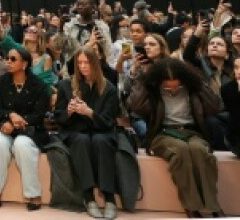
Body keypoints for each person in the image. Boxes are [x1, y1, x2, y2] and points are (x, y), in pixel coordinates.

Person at [127, 58, 225, 218]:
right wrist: (144, 83)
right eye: (167, 87)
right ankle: (192, 206)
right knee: (181, 152)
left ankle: (213, 206)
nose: (172, 90)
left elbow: (216, 107)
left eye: (177, 86)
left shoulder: (194, 88)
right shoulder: (152, 90)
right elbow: (135, 106)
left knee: (199, 151)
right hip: (163, 133)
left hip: (191, 132)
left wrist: (201, 85)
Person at [54, 48, 120, 219]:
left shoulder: (109, 88)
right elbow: (58, 118)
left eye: (87, 62)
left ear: (96, 63)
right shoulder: (66, 85)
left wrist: (89, 112)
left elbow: (109, 121)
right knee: (82, 140)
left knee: (101, 141)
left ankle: (109, 197)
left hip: (102, 130)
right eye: (80, 63)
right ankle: (88, 196)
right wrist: (68, 112)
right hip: (75, 131)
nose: (83, 66)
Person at [0, 45, 49, 211]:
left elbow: (40, 114)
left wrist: (18, 120)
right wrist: (9, 117)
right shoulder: (1, 82)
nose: (8, 62)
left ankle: (34, 194)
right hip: (6, 126)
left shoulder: (39, 85)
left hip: (30, 129)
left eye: (13, 59)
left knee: (21, 144)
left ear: (24, 64)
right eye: (7, 58)